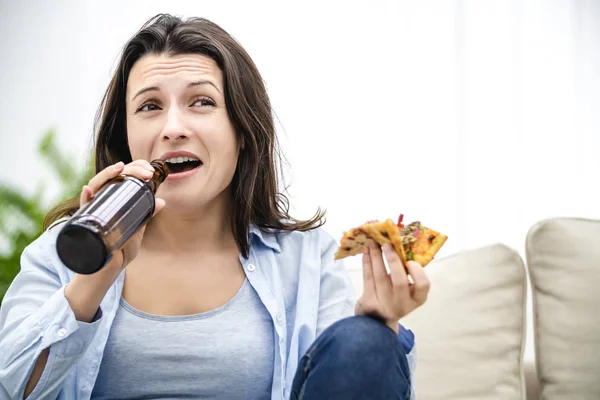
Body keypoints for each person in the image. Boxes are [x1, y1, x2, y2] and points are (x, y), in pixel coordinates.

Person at [0, 14, 429, 400]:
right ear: (125, 136)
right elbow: (11, 387)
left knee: (365, 342)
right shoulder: (58, 254)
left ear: (242, 130)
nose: (172, 128)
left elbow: (352, 382)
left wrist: (380, 326)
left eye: (201, 102)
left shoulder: (307, 259)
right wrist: (94, 274)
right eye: (150, 107)